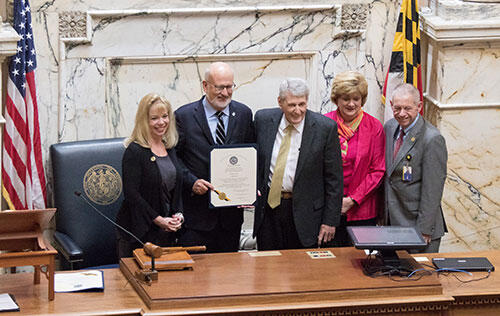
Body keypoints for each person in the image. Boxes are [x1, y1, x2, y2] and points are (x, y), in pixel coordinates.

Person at [253, 78, 343, 250]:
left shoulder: (325, 128)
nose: (297, 111)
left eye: (302, 104)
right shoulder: (263, 120)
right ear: (280, 102)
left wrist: (330, 221)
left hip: (306, 215)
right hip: (269, 214)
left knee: (302, 271)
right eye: (292, 105)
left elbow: (334, 180)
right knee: (268, 269)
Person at [174, 62, 254, 253]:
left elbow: (251, 155)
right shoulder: (183, 116)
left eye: (229, 87)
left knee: (228, 276)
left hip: (230, 219)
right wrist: (191, 182)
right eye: (219, 87)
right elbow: (173, 159)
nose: (225, 93)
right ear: (205, 86)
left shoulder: (243, 114)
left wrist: (251, 190)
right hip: (196, 217)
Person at [116, 93, 185, 258]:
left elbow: (176, 186)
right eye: (154, 118)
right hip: (139, 232)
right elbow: (132, 194)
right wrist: (158, 219)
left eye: (165, 116)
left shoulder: (169, 147)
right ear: (144, 121)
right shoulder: (135, 151)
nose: (161, 122)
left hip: (167, 232)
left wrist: (178, 215)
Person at [384, 83, 447, 253]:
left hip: (417, 227)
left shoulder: (432, 139)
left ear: (419, 106)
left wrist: (424, 229)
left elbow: (432, 190)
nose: (402, 114)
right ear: (391, 105)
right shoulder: (389, 127)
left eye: (407, 108)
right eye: (397, 108)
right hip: (392, 223)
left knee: (420, 277)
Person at [324, 71, 385, 246]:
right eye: (346, 99)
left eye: (356, 99)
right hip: (329, 210)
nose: (351, 104)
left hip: (363, 210)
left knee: (361, 265)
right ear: (337, 99)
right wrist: (334, 203)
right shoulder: (324, 124)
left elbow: (378, 170)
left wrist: (352, 200)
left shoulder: (374, 127)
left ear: (362, 100)